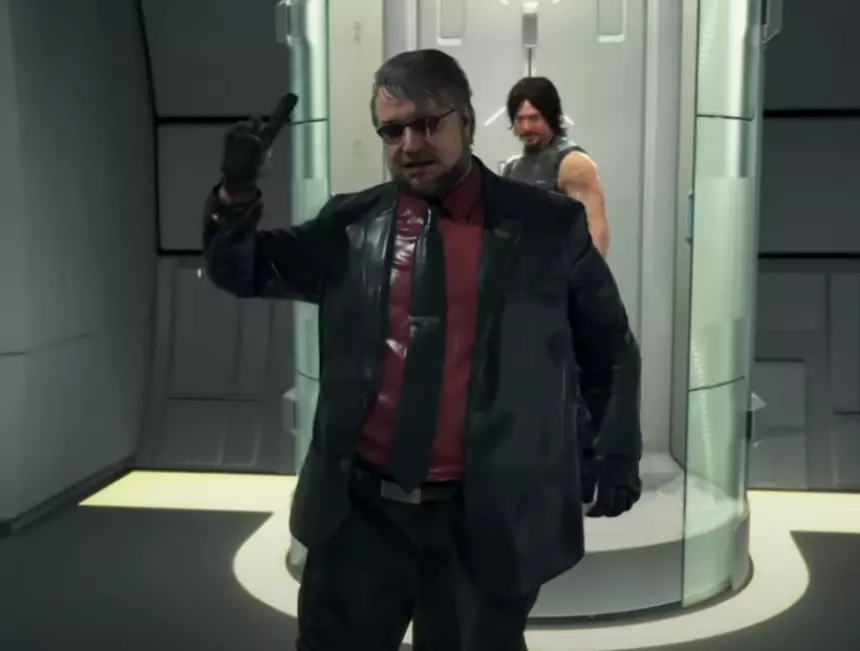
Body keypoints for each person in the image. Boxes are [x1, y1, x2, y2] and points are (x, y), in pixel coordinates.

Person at [203, 49, 642, 651]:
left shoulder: (546, 226)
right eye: (393, 131)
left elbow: (607, 343)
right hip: (359, 515)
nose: (411, 144)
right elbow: (241, 269)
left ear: (466, 120)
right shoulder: (349, 225)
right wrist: (236, 191)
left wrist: (614, 449)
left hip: (482, 517)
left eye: (428, 123)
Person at [501, 76, 611, 256]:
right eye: (519, 120)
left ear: (551, 117)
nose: (526, 127)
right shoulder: (512, 168)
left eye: (534, 118)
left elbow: (595, 234)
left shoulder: (573, 164)